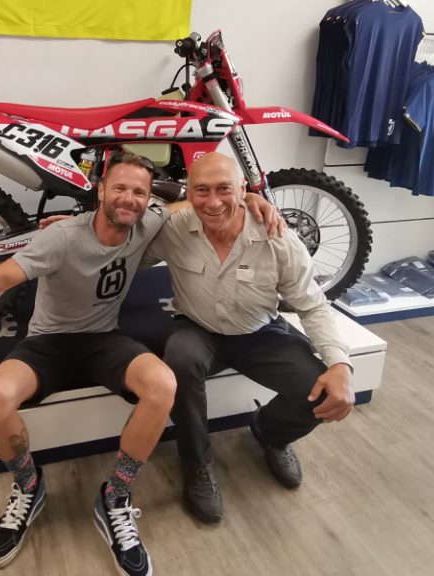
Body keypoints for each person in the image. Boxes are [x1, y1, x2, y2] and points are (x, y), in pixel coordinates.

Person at [0, 151, 280, 575]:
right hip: (49, 343)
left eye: (139, 192)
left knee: (163, 383)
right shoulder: (62, 237)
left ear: (147, 200)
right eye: (120, 188)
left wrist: (250, 199)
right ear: (101, 191)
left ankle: (116, 493)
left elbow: (195, 203)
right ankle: (29, 486)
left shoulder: (146, 222)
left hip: (103, 340)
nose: (129, 198)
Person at [142, 152, 355, 524]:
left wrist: (339, 363)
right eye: (201, 191)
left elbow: (312, 304)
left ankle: (270, 434)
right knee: (179, 361)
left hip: (260, 332)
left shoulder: (278, 237)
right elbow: (126, 245)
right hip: (197, 328)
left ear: (243, 189)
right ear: (188, 192)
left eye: (224, 189)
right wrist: (78, 229)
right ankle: (197, 465)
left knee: (318, 390)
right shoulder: (175, 229)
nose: (213, 202)